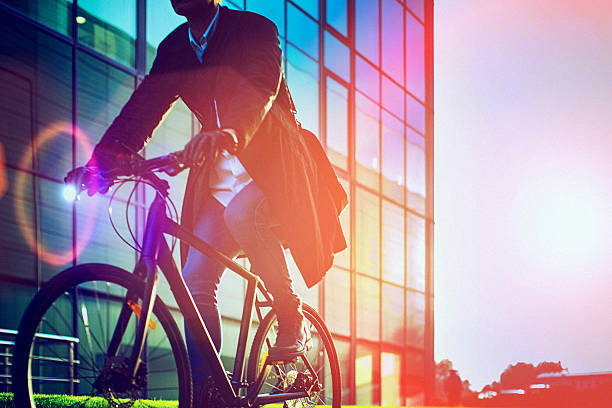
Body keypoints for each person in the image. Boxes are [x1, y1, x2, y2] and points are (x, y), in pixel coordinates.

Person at [65, 0, 347, 399]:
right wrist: (100, 166)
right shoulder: (176, 47)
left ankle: (290, 315)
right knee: (196, 277)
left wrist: (229, 132)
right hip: (219, 176)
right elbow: (142, 110)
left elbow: (259, 86)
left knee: (243, 213)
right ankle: (209, 391)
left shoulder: (254, 29)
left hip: (274, 167)